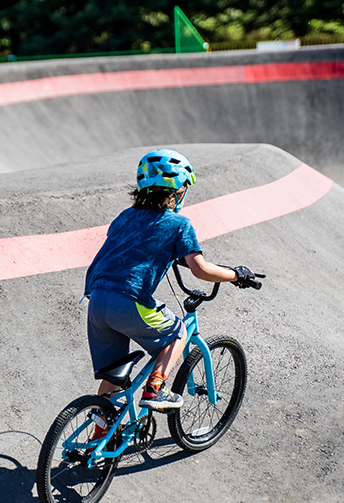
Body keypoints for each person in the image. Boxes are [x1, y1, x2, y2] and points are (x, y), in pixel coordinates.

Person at [82, 149, 263, 420]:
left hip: (96, 300)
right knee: (178, 333)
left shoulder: (124, 216)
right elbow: (200, 269)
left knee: (115, 374)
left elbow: (132, 247)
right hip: (128, 300)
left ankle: (96, 435)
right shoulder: (179, 224)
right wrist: (236, 275)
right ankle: (155, 389)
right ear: (179, 192)